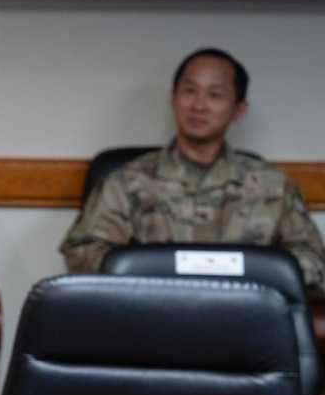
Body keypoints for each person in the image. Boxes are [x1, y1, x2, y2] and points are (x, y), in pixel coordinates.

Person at [61, 47, 325, 286]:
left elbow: (312, 259)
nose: (199, 105)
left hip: (248, 320)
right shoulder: (129, 181)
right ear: (173, 99)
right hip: (149, 318)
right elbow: (82, 251)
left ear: (238, 110)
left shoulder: (272, 186)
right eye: (189, 91)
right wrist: (142, 273)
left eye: (215, 95)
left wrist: (259, 274)